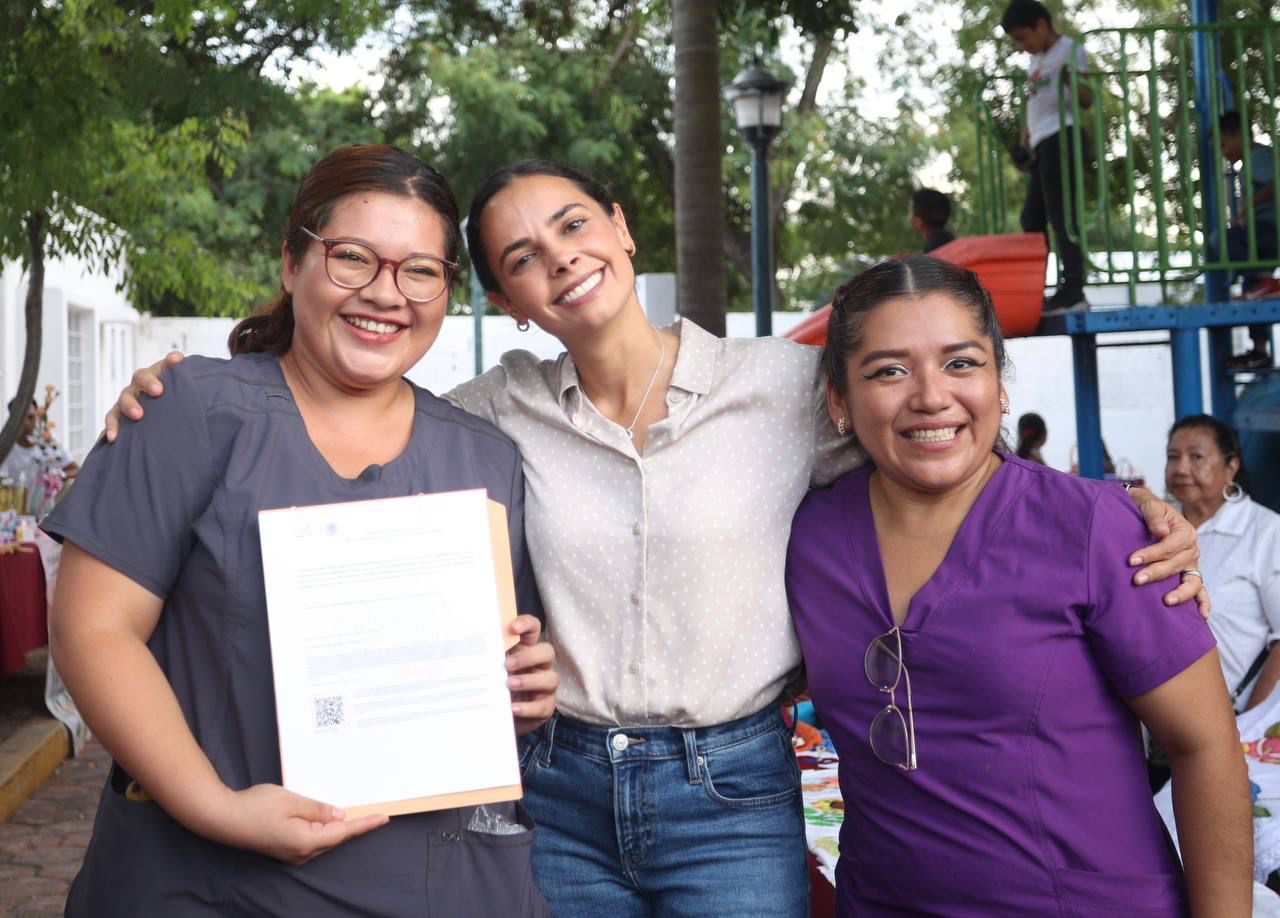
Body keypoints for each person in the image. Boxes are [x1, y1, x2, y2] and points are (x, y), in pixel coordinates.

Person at [105, 159, 1208, 918]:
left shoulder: (782, 389)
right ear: (506, 297)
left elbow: (926, 434)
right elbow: (345, 429)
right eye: (522, 256)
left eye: (574, 224)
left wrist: (1129, 511)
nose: (560, 259)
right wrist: (183, 389)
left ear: (622, 227)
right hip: (558, 783)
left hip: (729, 788)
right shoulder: (480, 419)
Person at [44, 145, 557, 917]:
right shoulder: (189, 411)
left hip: (441, 884)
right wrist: (214, 806)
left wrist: (524, 682)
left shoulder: (485, 455)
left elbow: (488, 658)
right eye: (353, 258)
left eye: (421, 270)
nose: (387, 294)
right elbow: (93, 629)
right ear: (291, 262)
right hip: (204, 882)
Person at [786, 255, 1250, 916]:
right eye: (889, 370)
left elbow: (1203, 745)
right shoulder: (809, 538)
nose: (930, 395)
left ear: (1000, 386)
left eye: (961, 363)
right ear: (839, 399)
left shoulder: (1096, 529)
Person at [1166, 414, 1280, 711]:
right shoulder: (1158, 529)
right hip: (1160, 724)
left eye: (1197, 457)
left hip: (1233, 720)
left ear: (1231, 467)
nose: (1181, 468)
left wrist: (1248, 727)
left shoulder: (1266, 532)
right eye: (1173, 457)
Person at [1002, 0, 1093, 314]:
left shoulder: (1069, 49)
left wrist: (1071, 79)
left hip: (1062, 136)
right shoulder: (1036, 61)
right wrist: (1024, 142)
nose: (1021, 46)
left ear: (1042, 25)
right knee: (1032, 217)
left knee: (1061, 214)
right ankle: (1034, 288)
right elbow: (1035, 104)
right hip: (1040, 141)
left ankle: (1074, 288)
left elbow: (1086, 99)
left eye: (1023, 37)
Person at [1218, 111, 1278, 370]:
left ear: (1238, 136)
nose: (1223, 152)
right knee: (1253, 290)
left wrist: (1246, 210)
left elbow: (1274, 184)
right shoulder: (1249, 163)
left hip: (1270, 228)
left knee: (1227, 241)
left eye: (1223, 144)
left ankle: (1265, 279)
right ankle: (1260, 350)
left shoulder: (1258, 157)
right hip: (1262, 229)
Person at [1, 397, 79, 484]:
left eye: (31, 417)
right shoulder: (4, 444)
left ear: (38, 416)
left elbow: (75, 469)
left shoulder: (49, 440)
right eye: (20, 417)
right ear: (12, 419)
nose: (26, 423)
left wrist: (59, 476)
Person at [909, 188, 955, 253]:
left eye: (910, 212)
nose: (910, 218)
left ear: (919, 221)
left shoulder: (932, 252)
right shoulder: (950, 242)